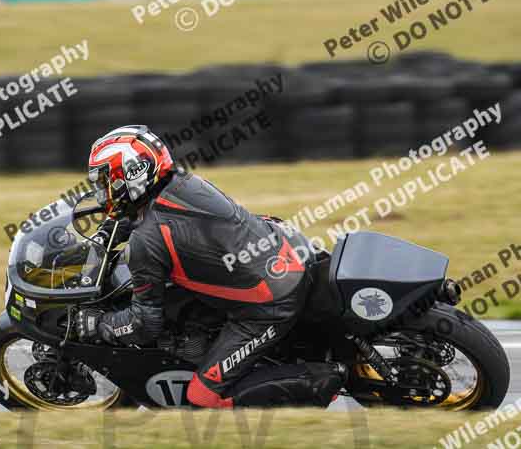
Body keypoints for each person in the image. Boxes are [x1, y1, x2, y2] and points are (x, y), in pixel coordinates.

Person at [75, 125, 346, 408]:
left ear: (131, 174)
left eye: (105, 180)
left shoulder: (146, 243)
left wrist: (100, 325)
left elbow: (145, 325)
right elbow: (148, 218)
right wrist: (109, 230)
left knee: (201, 399)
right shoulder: (182, 183)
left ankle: (320, 379)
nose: (101, 190)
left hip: (272, 303)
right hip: (287, 248)